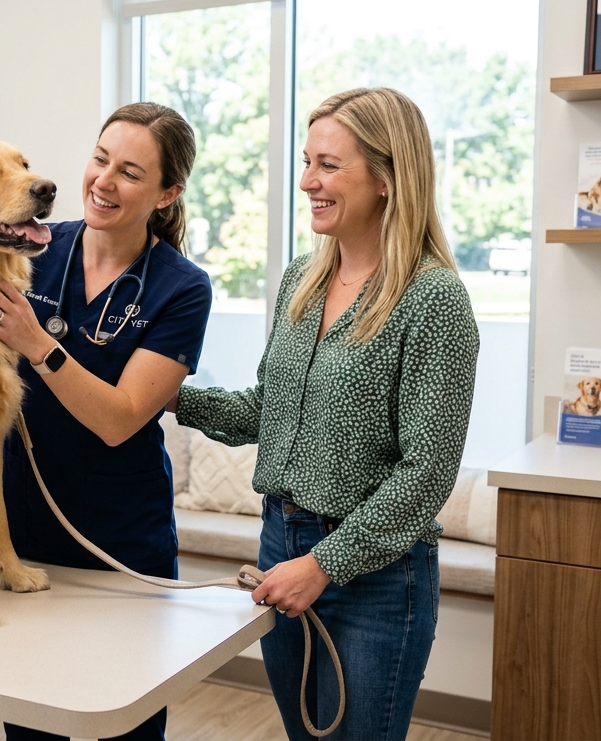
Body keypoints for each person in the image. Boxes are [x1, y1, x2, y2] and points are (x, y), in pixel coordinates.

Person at [170, 87, 479, 741]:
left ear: (388, 178)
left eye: (329, 165)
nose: (308, 181)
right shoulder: (301, 281)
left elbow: (426, 473)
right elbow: (267, 410)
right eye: (307, 162)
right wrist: (169, 398)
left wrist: (325, 565)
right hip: (280, 546)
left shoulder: (434, 300)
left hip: (375, 578)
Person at [0, 102, 212, 741]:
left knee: (121, 727)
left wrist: (38, 343)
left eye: (130, 172)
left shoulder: (182, 288)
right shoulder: (35, 246)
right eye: (100, 159)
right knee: (31, 724)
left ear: (166, 193)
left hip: (119, 546)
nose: (103, 182)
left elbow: (122, 418)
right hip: (20, 533)